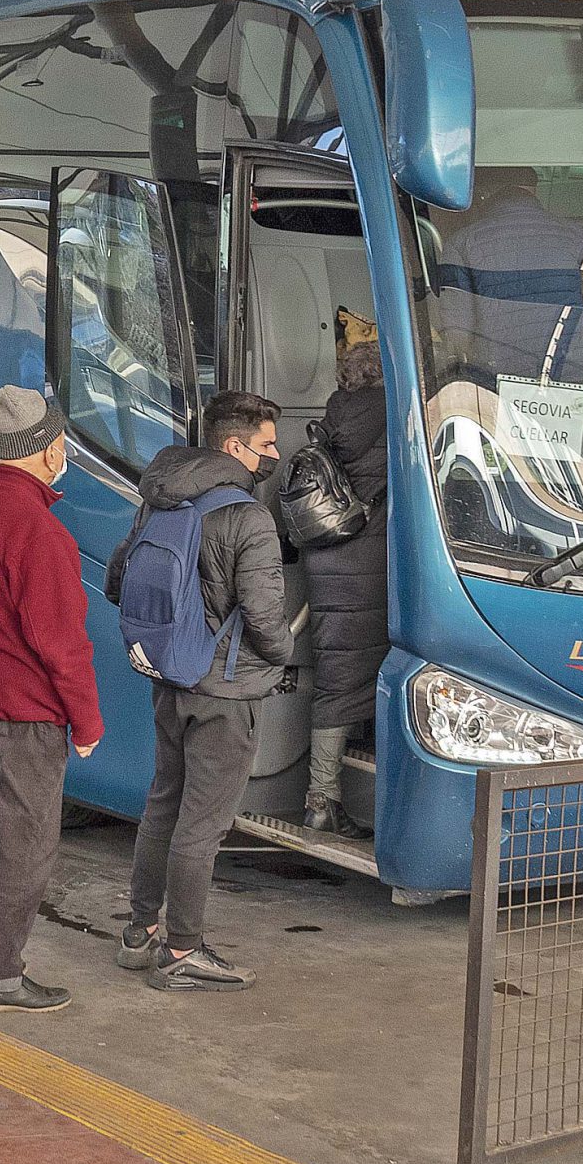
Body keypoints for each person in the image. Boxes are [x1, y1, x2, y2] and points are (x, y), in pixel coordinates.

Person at [108, 391, 294, 992]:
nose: (274, 455)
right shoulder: (247, 516)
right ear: (234, 447)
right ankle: (185, 950)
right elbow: (266, 620)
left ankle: (141, 933)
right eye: (266, 445)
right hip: (225, 691)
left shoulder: (161, 500)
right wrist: (286, 656)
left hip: (169, 678)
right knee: (203, 823)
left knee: (164, 802)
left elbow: (118, 580)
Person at [0, 386, 104, 1015]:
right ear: (50, 449)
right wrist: (85, 721)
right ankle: (3, 976)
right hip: (30, 714)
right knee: (28, 842)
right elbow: (62, 645)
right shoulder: (41, 532)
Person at [304, 338, 385, 837]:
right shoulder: (398, 417)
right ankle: (334, 797)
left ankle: (322, 800)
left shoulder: (332, 420)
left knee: (336, 677)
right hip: (375, 564)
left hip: (329, 562)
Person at [426, 166, 583, 387]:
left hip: (499, 377)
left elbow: (458, 334)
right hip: (576, 369)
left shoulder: (462, 243)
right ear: (534, 192)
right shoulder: (576, 235)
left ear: (485, 193)